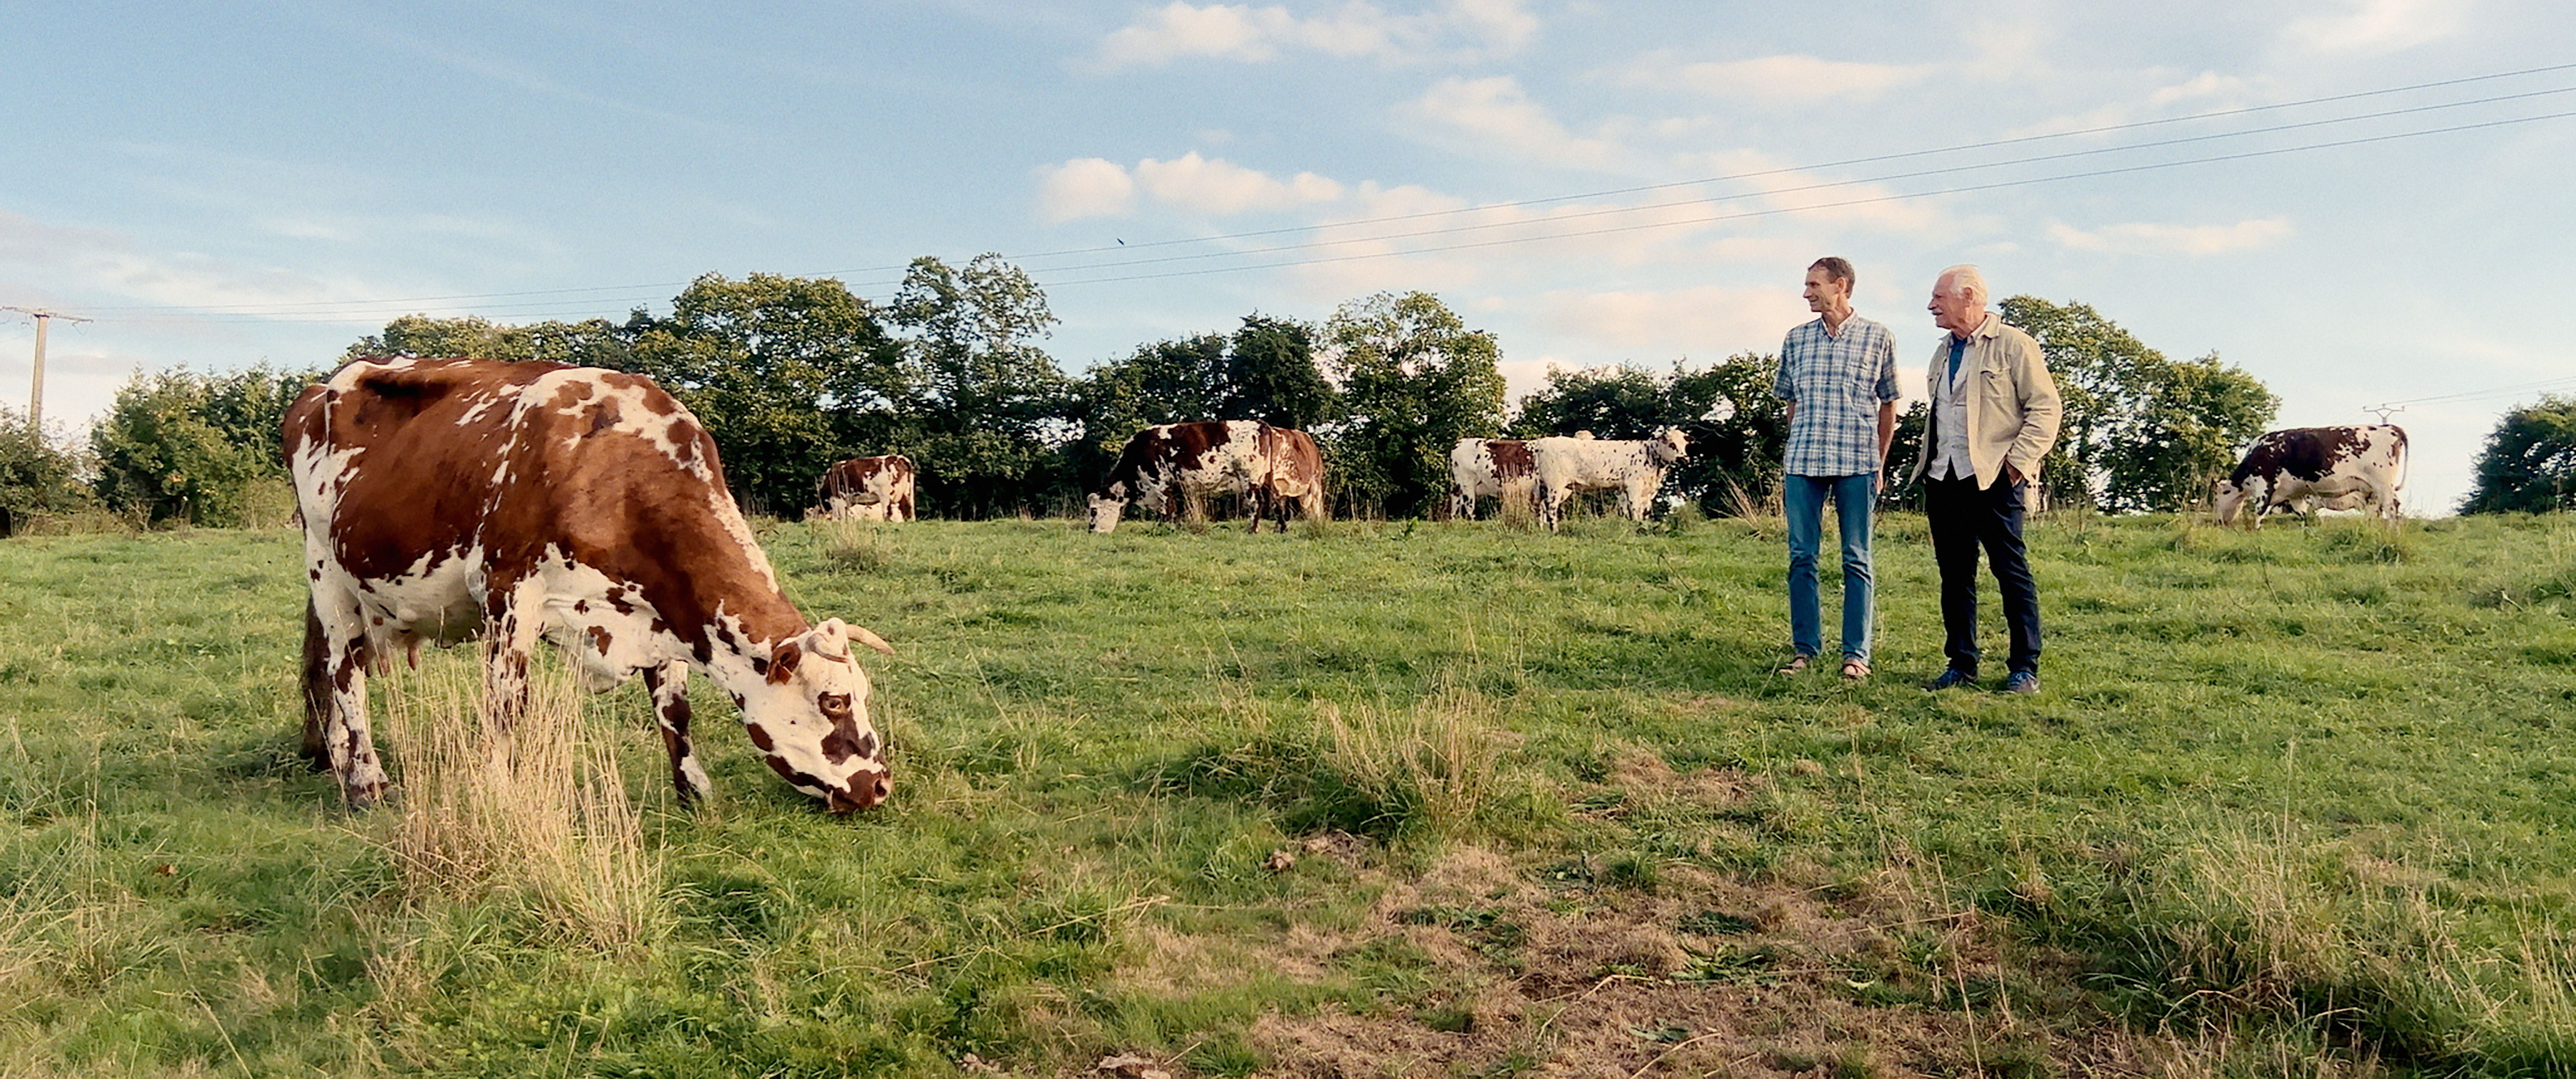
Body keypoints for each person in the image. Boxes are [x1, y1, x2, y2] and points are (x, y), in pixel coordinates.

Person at [1909, 266, 2061, 693]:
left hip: (1996, 477)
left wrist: (2017, 464)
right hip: (1944, 476)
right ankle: (1961, 663)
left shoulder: (2014, 344)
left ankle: (2024, 668)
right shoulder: (1942, 351)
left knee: (2010, 569)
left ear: (1969, 296)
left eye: (1939, 297)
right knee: (1954, 574)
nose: (1931, 305)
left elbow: (2046, 409)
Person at [1772, 257, 1900, 681]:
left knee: (1856, 559)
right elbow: (1790, 401)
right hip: (1804, 462)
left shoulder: (1878, 337)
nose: (1807, 292)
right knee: (1801, 557)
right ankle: (1805, 650)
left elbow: (1889, 405)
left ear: (1840, 286)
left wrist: (1879, 463)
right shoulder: (1796, 339)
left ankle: (1856, 655)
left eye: (1814, 284)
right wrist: (1797, 442)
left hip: (1857, 464)